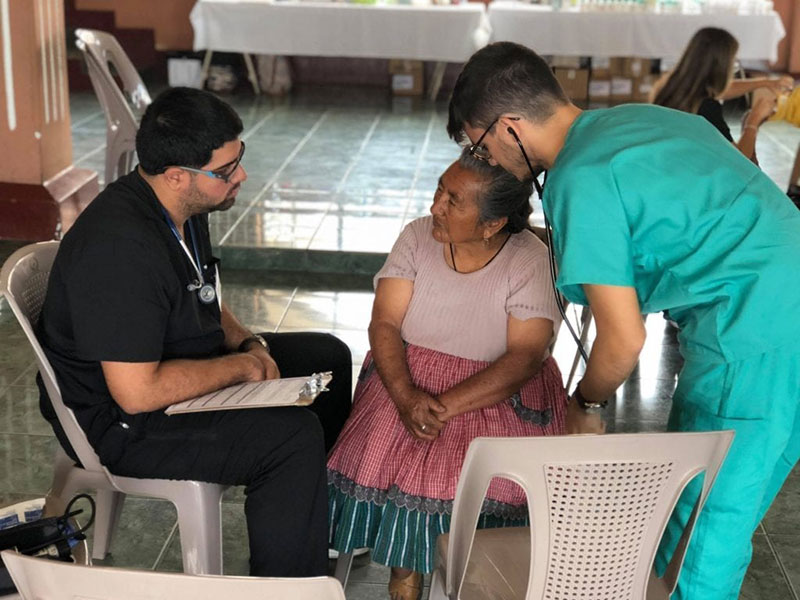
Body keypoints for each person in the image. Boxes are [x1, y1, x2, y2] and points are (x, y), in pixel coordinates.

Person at [447, 41, 800, 600]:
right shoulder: (641, 119)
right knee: (723, 506)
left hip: (752, 331)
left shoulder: (579, 175)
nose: (486, 159)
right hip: (784, 303)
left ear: (510, 124)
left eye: (481, 144)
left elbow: (624, 339)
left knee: (701, 529)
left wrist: (585, 403)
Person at [36, 87, 353, 577]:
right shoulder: (120, 250)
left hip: (168, 368)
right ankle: (288, 585)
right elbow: (137, 393)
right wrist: (241, 368)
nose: (240, 176)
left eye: (239, 159)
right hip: (124, 422)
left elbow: (201, 289)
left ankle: (309, 531)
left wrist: (248, 343)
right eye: (225, 171)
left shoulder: (181, 208)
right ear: (177, 175)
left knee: (326, 356)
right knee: (289, 437)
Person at [327, 150, 568, 600]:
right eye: (440, 189)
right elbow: (385, 324)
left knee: (450, 480)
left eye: (453, 201)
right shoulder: (418, 236)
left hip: (493, 396)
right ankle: (404, 582)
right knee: (401, 467)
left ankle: (457, 582)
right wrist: (404, 395)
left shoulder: (529, 258)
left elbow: (524, 357)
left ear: (492, 224)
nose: (436, 205)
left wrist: (440, 408)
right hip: (406, 380)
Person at [650, 27, 791, 163]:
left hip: (665, 161)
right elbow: (739, 161)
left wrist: (765, 83)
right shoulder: (706, 107)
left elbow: (719, 89)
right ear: (722, 68)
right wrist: (753, 121)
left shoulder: (669, 86)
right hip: (690, 173)